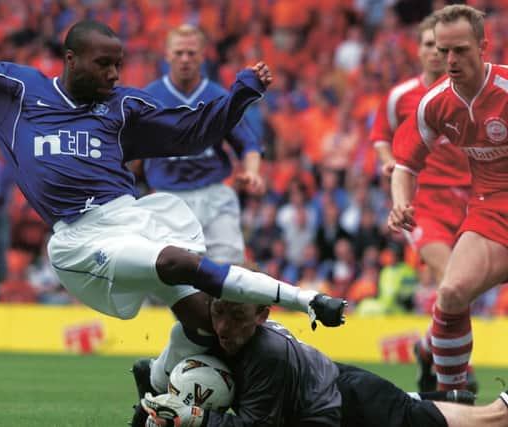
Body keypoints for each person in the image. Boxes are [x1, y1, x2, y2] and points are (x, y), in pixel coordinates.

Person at [0, 0, 346, 391]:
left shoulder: (123, 107)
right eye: (103, 64)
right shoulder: (20, 92)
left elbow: (191, 132)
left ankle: (154, 381)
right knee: (177, 262)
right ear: (70, 59)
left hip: (134, 218)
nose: (114, 75)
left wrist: (239, 96)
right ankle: (305, 299)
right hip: (81, 237)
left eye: (118, 64)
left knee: (208, 323)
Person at [138, 299, 508, 427]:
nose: (222, 327)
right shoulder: (223, 332)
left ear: (262, 316)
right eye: (218, 312)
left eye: (235, 317)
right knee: (415, 411)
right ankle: (449, 397)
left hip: (345, 405)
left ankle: (500, 411)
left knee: (424, 421)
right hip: (336, 390)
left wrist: (198, 419)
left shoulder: (266, 354)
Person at [389, 4, 508, 392]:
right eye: (444, 51)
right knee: (451, 292)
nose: (450, 60)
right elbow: (404, 163)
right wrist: (400, 202)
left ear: (483, 47)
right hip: (491, 208)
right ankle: (453, 398)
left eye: (460, 50)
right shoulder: (434, 103)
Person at [369, 13, 473, 392]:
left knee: (463, 288)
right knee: (454, 282)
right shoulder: (400, 95)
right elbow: (381, 136)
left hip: (471, 202)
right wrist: (386, 161)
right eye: (430, 45)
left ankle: (430, 348)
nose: (437, 53)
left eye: (443, 47)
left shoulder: (466, 92)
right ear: (418, 50)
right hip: (423, 203)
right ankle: (458, 379)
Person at [141, 24, 265, 266]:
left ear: (202, 55)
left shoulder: (218, 96)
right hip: (169, 197)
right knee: (174, 278)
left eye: (191, 53)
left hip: (213, 193)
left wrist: (253, 172)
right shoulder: (147, 98)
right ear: (167, 55)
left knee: (229, 270)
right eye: (179, 53)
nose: (185, 59)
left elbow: (248, 143)